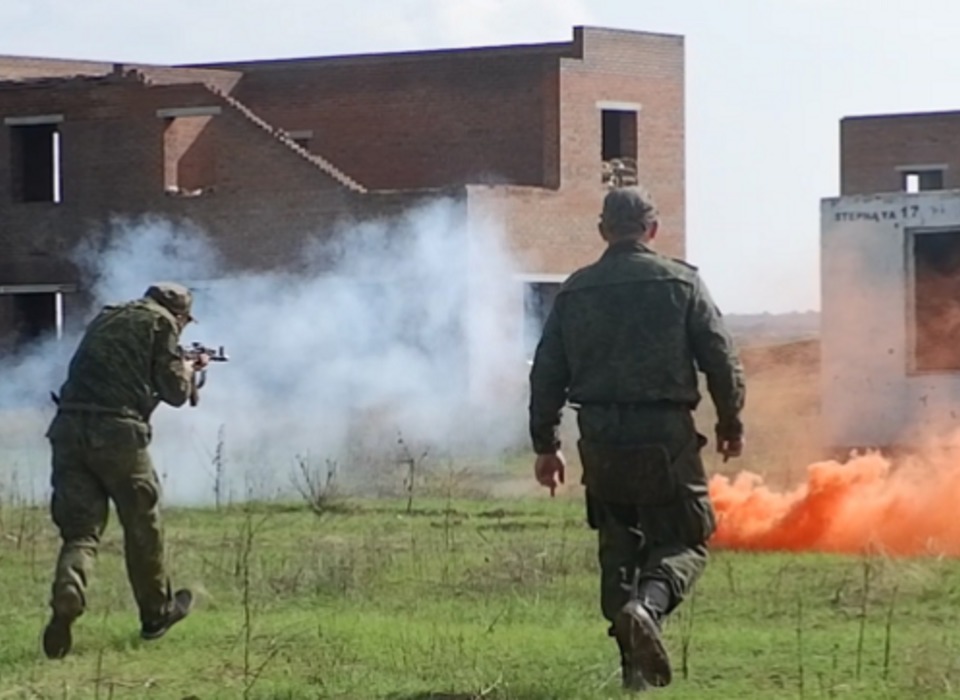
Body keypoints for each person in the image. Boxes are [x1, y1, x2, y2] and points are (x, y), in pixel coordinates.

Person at [528, 186, 746, 691]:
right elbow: (721, 360)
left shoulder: (575, 290)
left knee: (618, 547)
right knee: (684, 540)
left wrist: (545, 445)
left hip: (599, 436)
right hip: (664, 435)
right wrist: (730, 424)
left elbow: (546, 374)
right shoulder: (681, 283)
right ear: (652, 230)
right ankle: (646, 608)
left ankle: (633, 671)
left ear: (603, 231)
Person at [42, 282, 209, 659]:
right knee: (142, 525)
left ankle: (69, 591)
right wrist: (187, 369)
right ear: (179, 314)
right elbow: (176, 393)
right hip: (116, 434)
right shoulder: (162, 323)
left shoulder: (108, 316)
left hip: (68, 428)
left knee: (81, 532)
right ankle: (156, 615)